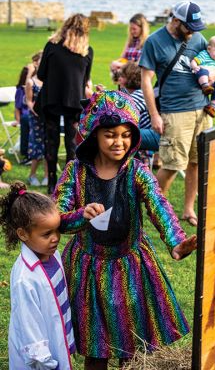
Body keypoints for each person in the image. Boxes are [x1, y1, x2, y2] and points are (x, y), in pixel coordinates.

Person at [53, 90, 197, 370]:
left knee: (131, 343)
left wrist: (176, 242)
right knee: (96, 346)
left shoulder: (138, 172)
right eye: (110, 134)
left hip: (130, 265)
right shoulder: (75, 172)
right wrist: (81, 215)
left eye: (125, 134)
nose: (119, 142)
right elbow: (57, 219)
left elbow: (160, 206)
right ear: (95, 134)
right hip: (87, 268)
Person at [140, 0, 215, 227]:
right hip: (174, 112)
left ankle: (188, 209)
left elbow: (214, 61)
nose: (193, 33)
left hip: (202, 110)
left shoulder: (196, 37)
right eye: (189, 27)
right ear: (175, 21)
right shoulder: (155, 42)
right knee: (172, 164)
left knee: (196, 162)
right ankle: (154, 210)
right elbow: (146, 80)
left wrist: (214, 73)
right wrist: (154, 115)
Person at [0, 181, 76, 369]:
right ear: (23, 234)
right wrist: (46, 362)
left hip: (57, 341)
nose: (56, 238)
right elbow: (29, 326)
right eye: (47, 233)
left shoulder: (54, 254)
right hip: (42, 362)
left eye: (57, 230)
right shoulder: (25, 279)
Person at [37, 13, 94, 194]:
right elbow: (85, 80)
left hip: (51, 99)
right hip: (73, 101)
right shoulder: (87, 51)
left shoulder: (51, 46)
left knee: (51, 141)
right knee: (71, 143)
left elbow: (40, 74)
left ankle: (51, 181)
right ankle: (69, 183)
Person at [118, 61, 160, 166]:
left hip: (144, 149)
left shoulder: (138, 95)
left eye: (122, 76)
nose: (119, 79)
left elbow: (119, 112)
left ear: (131, 78)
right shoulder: (133, 94)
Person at [25, 51, 48, 187]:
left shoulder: (50, 80)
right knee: (37, 147)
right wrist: (36, 111)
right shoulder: (31, 81)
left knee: (48, 147)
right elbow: (29, 101)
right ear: (36, 63)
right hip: (36, 118)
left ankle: (46, 175)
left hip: (49, 119)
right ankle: (32, 175)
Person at [110, 13, 149, 82]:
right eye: (130, 29)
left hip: (136, 80)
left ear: (142, 28)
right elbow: (123, 57)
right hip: (124, 77)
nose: (132, 31)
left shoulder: (147, 42)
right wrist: (116, 63)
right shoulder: (130, 41)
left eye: (134, 29)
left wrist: (121, 65)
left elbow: (139, 64)